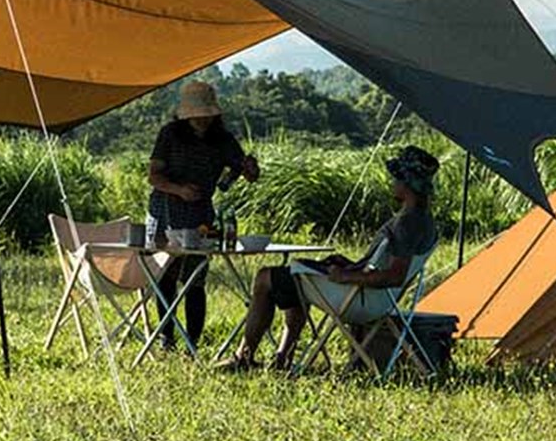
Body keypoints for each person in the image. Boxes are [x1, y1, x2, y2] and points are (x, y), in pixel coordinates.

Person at [222, 144, 439, 371]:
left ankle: (244, 356)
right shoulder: (424, 221)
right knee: (295, 274)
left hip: (359, 300)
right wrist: (352, 265)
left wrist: (346, 275)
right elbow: (384, 265)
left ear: (407, 184)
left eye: (397, 178)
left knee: (266, 277)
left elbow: (394, 276)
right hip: (375, 299)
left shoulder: (407, 223)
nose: (392, 183)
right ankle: (282, 356)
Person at [146, 79, 260, 350]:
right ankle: (166, 337)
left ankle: (193, 341)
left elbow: (246, 175)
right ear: (187, 115)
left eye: (207, 116)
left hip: (200, 213)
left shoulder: (223, 139)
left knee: (196, 277)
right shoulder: (170, 134)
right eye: (198, 116)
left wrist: (250, 168)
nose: (203, 121)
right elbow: (154, 176)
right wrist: (179, 190)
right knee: (167, 274)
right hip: (166, 209)